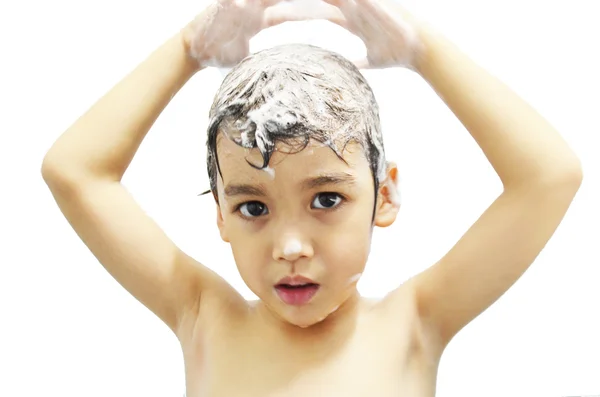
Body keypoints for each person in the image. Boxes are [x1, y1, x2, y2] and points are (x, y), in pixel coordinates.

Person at [40, 0, 583, 395]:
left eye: (325, 200)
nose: (291, 246)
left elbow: (550, 176)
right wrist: (189, 49)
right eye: (253, 207)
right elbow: (73, 171)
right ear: (220, 215)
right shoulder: (204, 316)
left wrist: (424, 51)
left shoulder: (415, 324)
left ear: (385, 195)